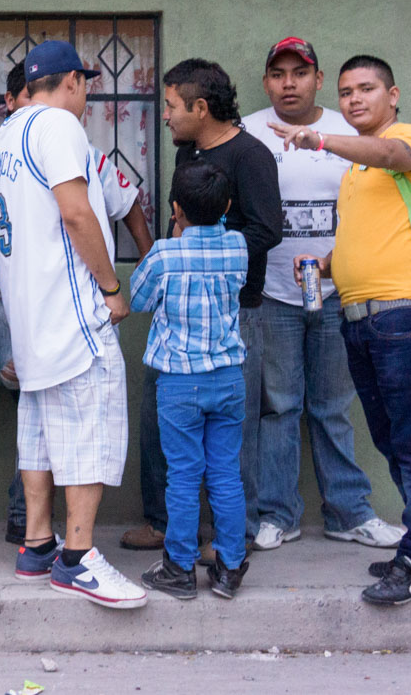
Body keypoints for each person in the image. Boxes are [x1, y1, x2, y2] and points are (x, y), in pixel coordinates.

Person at [272, 54, 411, 606]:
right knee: (394, 439)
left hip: (405, 315)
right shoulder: (357, 173)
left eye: (367, 89)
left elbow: (389, 152)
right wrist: (323, 265)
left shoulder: (409, 141)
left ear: (392, 95)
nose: (354, 100)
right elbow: (367, 238)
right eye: (348, 92)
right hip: (361, 319)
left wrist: (319, 141)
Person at [0, 60, 154, 545]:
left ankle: (37, 541)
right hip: (44, 303)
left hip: (33, 305)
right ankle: (77, 555)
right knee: (80, 422)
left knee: (40, 416)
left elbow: (123, 202)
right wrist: (111, 288)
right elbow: (75, 215)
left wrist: (150, 265)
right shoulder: (49, 129)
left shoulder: (23, 141)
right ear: (72, 83)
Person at [241, 38, 403, 552]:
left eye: (299, 72)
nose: (289, 82)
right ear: (267, 81)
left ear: (317, 78)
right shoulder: (249, 131)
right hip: (274, 295)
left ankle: (348, 512)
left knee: (333, 406)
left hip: (339, 294)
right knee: (280, 407)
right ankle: (278, 514)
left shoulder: (346, 129)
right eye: (278, 73)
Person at [123, 59, 282, 552]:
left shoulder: (251, 156)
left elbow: (266, 229)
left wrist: (203, 257)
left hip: (236, 313)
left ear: (200, 107)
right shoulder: (188, 153)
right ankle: (164, 523)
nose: (165, 116)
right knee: (159, 426)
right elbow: (180, 225)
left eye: (171, 106)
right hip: (175, 323)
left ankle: (234, 535)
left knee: (229, 443)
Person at [132, 160, 251, 601]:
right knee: (225, 474)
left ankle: (179, 568)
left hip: (180, 382)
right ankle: (229, 566)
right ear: (227, 206)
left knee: (182, 475)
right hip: (228, 377)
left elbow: (141, 299)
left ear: (175, 208)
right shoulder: (237, 246)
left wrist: (175, 236)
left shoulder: (165, 254)